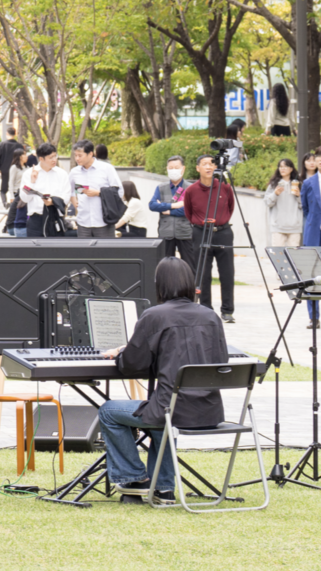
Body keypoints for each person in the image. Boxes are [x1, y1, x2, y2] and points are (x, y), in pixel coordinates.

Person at [97, 257, 230, 501]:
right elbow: (220, 362)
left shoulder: (155, 315)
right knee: (161, 408)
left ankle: (134, 477)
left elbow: (131, 365)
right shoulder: (211, 316)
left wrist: (120, 352)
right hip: (208, 412)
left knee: (108, 411)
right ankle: (164, 488)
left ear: (160, 285)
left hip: (170, 410)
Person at [181, 154, 238, 323]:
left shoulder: (225, 188)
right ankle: (206, 309)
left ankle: (227, 311)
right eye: (204, 164)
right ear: (198, 168)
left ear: (215, 168)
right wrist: (201, 223)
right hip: (201, 232)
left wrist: (219, 223)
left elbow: (230, 208)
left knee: (227, 273)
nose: (208, 167)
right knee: (202, 273)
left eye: (211, 164)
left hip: (223, 232)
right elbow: (189, 213)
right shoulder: (191, 190)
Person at [67, 141, 119, 238]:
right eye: (75, 155)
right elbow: (69, 189)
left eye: (80, 155)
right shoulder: (75, 172)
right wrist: (73, 200)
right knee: (84, 253)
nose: (77, 158)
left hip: (104, 221)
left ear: (90, 154)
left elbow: (119, 192)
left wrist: (99, 193)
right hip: (83, 223)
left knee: (106, 252)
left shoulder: (107, 169)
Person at [22, 142, 69, 238]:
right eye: (50, 157)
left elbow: (66, 196)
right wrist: (32, 182)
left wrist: (53, 202)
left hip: (55, 217)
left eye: (55, 156)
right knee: (36, 252)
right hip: (36, 219)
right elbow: (24, 198)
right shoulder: (28, 174)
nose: (54, 160)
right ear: (41, 159)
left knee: (56, 251)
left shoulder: (62, 174)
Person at [266, 157, 302, 248]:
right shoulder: (274, 184)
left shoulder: (298, 184)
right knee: (278, 257)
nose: (282, 169)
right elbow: (267, 202)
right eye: (280, 167)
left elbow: (303, 206)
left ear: (291, 169)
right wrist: (275, 194)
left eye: (285, 166)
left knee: (293, 257)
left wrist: (298, 196)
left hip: (294, 227)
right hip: (278, 227)